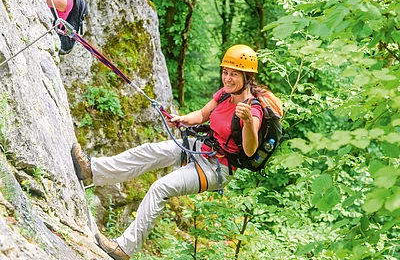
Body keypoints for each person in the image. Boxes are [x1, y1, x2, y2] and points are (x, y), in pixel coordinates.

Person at [71, 44, 265, 260]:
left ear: (247, 77)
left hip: (216, 169)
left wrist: (247, 121)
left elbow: (249, 150)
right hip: (201, 148)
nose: (227, 78)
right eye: (225, 72)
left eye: (234, 74)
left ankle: (125, 249)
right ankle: (92, 170)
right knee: (150, 151)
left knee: (160, 188)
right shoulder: (224, 95)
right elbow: (202, 114)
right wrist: (182, 120)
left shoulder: (253, 109)